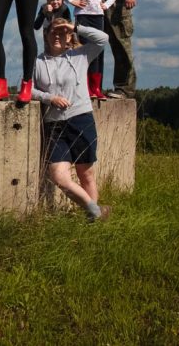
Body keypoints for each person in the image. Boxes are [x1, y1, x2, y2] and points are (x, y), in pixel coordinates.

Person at [32, 18, 110, 222]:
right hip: (54, 124)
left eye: (62, 32)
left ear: (69, 36)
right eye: (53, 32)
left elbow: (103, 39)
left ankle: (93, 222)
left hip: (81, 119)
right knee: (59, 176)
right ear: (46, 35)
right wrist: (49, 98)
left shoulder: (80, 55)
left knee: (86, 174)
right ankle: (95, 210)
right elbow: (28, 89)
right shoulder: (37, 62)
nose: (57, 35)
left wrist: (74, 27)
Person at [52, 0, 119, 100]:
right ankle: (86, 86)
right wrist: (71, 0)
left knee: (99, 50)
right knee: (84, 50)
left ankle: (96, 87)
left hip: (98, 16)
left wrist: (106, 5)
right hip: (83, 16)